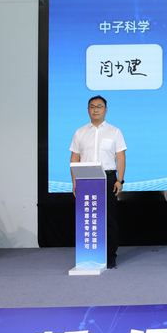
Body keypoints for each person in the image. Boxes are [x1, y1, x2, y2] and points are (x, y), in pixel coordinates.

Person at [70, 95, 126, 268]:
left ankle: (110, 256)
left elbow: (120, 158)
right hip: (85, 178)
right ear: (88, 110)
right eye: (92, 106)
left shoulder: (114, 131)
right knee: (87, 217)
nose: (96, 109)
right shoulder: (80, 132)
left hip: (108, 177)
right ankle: (89, 253)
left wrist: (120, 180)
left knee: (109, 218)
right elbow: (74, 158)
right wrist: (74, 182)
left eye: (99, 106)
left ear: (105, 110)